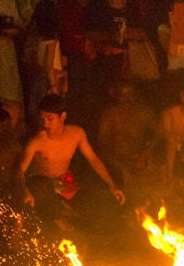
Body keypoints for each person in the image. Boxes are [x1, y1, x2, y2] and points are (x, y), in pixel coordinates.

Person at [18, 94, 125, 232]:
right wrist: (25, 190)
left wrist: (112, 185)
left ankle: (70, 214)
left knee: (93, 206)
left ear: (62, 117)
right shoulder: (37, 142)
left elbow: (93, 159)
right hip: (40, 184)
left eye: (50, 119)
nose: (45, 124)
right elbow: (19, 171)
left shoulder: (76, 134)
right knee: (44, 188)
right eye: (42, 119)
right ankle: (57, 217)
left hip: (63, 181)